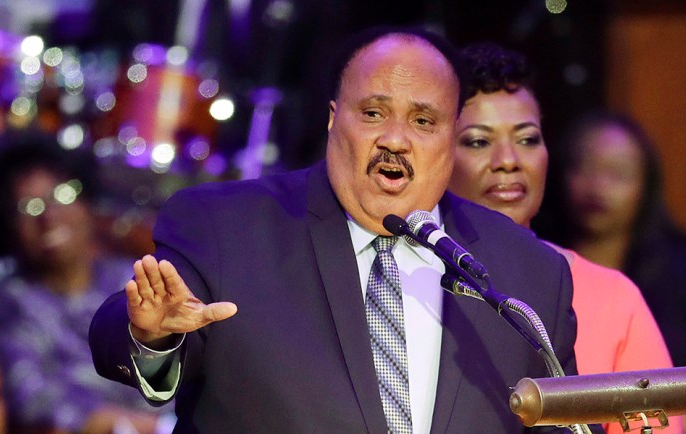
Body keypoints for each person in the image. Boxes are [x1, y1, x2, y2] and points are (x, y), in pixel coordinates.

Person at [88, 26, 584, 433]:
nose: (395, 139)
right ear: (333, 119)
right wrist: (149, 337)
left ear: (452, 138)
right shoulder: (226, 228)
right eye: (373, 113)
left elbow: (565, 425)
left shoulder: (529, 274)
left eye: (423, 121)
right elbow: (135, 331)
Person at [447, 42, 680, 434]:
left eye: (527, 138)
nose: (509, 160)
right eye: (478, 141)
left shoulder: (613, 297)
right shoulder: (407, 280)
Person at [536, 111, 686, 432]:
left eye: (619, 174)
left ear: (646, 185)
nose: (598, 186)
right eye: (583, 167)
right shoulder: (536, 261)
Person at [0, 131, 175, 433]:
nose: (49, 217)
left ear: (87, 203)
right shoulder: (12, 305)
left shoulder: (130, 278)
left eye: (62, 195)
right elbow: (35, 403)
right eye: (29, 207)